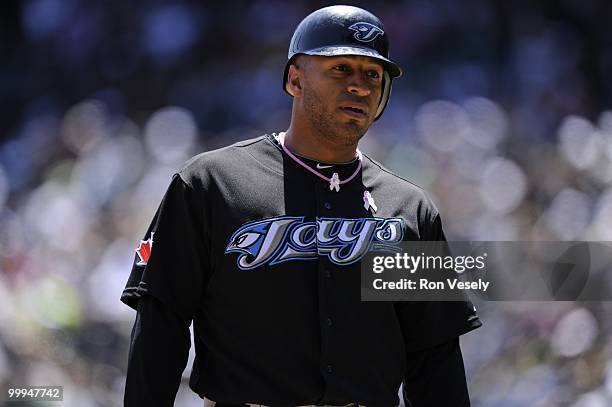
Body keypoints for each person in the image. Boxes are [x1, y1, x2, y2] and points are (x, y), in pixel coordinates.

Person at [121, 5, 482, 407]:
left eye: (373, 75)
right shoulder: (211, 183)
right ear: (295, 79)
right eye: (341, 69)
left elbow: (435, 361)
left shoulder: (411, 210)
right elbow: (160, 329)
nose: (360, 87)